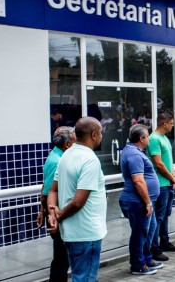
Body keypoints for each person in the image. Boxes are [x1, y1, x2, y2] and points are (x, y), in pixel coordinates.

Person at [47, 117, 107, 282]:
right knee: (84, 278)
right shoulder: (90, 160)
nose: (101, 136)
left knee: (78, 276)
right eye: (101, 133)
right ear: (94, 135)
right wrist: (57, 215)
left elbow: (53, 191)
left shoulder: (66, 155)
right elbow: (78, 202)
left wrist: (52, 213)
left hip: (71, 233)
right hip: (86, 233)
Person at [119, 125, 163, 275]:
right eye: (147, 136)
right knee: (139, 234)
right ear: (141, 139)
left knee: (150, 229)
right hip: (138, 202)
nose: (149, 138)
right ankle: (138, 265)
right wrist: (147, 202)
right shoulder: (134, 155)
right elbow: (138, 181)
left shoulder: (136, 152)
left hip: (145, 201)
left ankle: (146, 259)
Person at [37, 126, 75, 282]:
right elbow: (47, 191)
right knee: (61, 258)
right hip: (57, 215)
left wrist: (42, 211)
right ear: (67, 144)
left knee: (62, 256)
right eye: (74, 140)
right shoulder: (57, 161)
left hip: (56, 213)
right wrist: (46, 212)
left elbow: (44, 187)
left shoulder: (57, 156)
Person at [147, 113, 175, 262]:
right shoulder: (154, 139)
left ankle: (164, 241)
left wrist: (173, 177)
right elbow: (158, 164)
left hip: (167, 183)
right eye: (171, 123)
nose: (173, 125)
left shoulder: (165, 138)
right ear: (164, 123)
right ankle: (155, 248)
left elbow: (169, 161)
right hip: (160, 184)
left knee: (165, 215)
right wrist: (171, 177)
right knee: (158, 217)